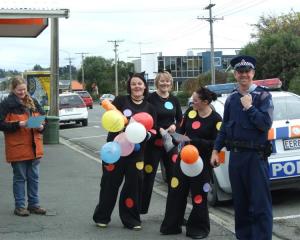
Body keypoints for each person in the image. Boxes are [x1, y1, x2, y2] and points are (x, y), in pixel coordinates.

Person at [210, 55, 274, 240]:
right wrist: (216, 150)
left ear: (253, 73)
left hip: (256, 158)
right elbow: (224, 128)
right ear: (236, 75)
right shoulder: (230, 100)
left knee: (260, 205)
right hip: (236, 158)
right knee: (241, 205)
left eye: (247, 71)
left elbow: (265, 124)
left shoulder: (262, 96)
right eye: (240, 72)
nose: (244, 75)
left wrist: (250, 108)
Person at [93, 72, 156, 230]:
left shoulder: (150, 107)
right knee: (109, 184)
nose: (137, 86)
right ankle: (102, 216)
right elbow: (111, 118)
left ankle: (131, 219)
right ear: (129, 86)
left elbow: (153, 130)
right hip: (114, 151)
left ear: (145, 86)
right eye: (133, 84)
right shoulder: (121, 100)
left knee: (133, 186)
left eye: (140, 84)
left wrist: (146, 134)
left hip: (136, 154)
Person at [160, 87, 222, 239]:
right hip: (183, 159)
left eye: (195, 100)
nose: (191, 102)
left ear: (205, 102)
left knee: (199, 194)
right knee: (176, 191)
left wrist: (196, 142)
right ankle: (171, 225)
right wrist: (174, 135)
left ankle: (198, 228)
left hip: (202, 162)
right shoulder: (190, 112)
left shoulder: (216, 119)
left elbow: (217, 142)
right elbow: (180, 131)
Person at [0, 76, 46, 217]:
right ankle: (20, 207)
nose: (22, 92)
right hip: (18, 148)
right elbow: (1, 124)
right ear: (13, 89)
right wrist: (18, 124)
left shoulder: (33, 101)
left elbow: (43, 119)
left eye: (24, 89)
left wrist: (41, 126)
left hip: (34, 147)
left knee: (34, 178)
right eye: (19, 90)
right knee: (20, 178)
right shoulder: (7, 104)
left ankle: (34, 205)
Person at [141, 69, 182, 214]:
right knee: (148, 177)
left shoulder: (174, 99)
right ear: (157, 82)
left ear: (171, 83)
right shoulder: (151, 99)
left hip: (170, 144)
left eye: (168, 81)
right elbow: (147, 118)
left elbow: (180, 120)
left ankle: (174, 213)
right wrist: (158, 129)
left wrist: (173, 127)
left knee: (174, 177)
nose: (165, 83)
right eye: (162, 80)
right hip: (154, 144)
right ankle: (141, 210)